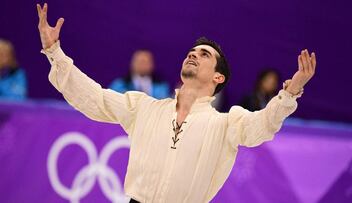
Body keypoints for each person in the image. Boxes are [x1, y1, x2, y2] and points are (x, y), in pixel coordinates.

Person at [37, 3, 317, 203]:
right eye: (191, 52)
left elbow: (263, 125)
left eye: (204, 54)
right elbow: (93, 97)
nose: (193, 55)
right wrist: (54, 53)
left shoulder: (225, 124)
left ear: (218, 76)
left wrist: (290, 92)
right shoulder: (144, 108)